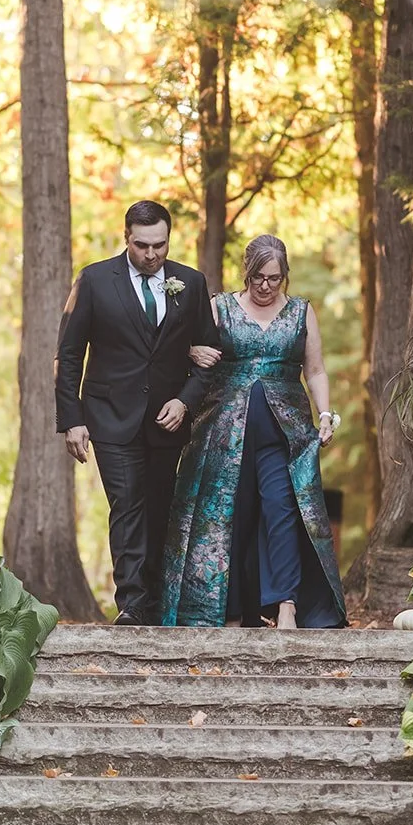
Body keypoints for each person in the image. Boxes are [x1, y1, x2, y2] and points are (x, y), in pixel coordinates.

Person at [160, 234, 346, 629]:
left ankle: (287, 605)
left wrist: (325, 413)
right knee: (232, 516)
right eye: (258, 277)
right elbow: (189, 353)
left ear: (285, 277)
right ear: (247, 274)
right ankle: (228, 611)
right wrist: (193, 351)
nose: (265, 286)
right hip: (223, 433)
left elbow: (315, 370)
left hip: (284, 433)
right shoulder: (219, 307)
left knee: (281, 510)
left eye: (274, 278)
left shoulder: (300, 312)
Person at [55, 200, 220, 625]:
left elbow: (209, 356)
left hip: (168, 419)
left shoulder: (192, 283)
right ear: (126, 238)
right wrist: (71, 420)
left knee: (160, 508)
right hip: (110, 415)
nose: (152, 255)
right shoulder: (93, 281)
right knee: (126, 504)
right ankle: (131, 604)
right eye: (142, 245)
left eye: (160, 246)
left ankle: (156, 601)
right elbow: (69, 354)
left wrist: (184, 400)